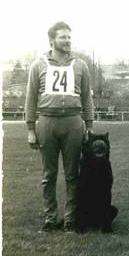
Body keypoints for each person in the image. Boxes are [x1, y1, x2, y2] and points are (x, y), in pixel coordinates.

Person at [25, 21, 94, 232]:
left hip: (73, 122)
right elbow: (30, 98)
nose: (67, 41)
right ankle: (50, 218)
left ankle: (70, 219)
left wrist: (88, 125)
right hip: (47, 122)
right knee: (49, 175)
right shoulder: (39, 65)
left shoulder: (80, 65)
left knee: (73, 174)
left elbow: (87, 98)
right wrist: (30, 128)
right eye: (63, 37)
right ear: (52, 40)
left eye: (69, 37)